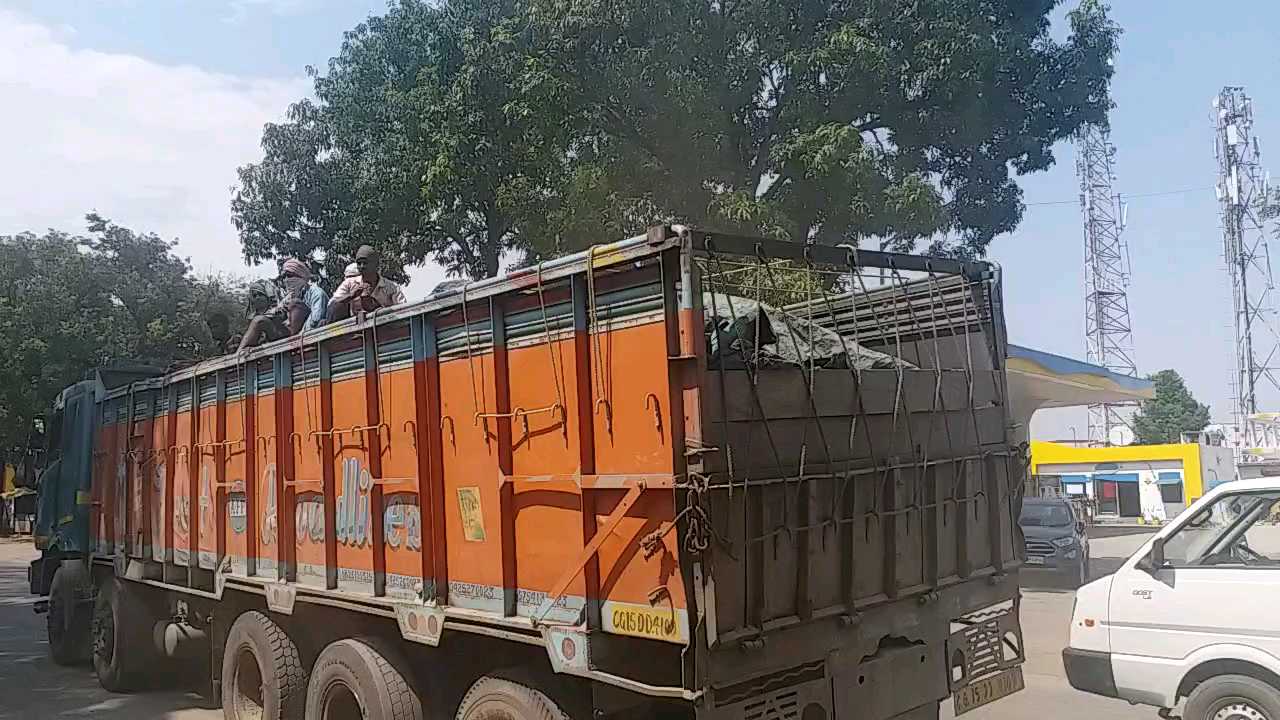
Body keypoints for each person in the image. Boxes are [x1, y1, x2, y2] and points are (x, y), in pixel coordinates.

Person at [237, 260, 328, 352]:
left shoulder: (317, 293)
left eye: (289, 276)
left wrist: (301, 335)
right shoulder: (288, 297)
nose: (285, 280)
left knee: (295, 304)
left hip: (304, 336)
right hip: (286, 335)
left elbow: (315, 319)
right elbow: (274, 314)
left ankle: (294, 344)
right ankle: (238, 357)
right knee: (259, 320)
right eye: (283, 277)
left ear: (301, 276)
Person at [327, 245, 406, 321]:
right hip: (355, 331)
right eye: (359, 263)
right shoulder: (349, 283)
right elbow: (332, 305)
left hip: (385, 330)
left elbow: (404, 310)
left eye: (365, 263)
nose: (362, 266)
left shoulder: (392, 287)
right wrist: (351, 295)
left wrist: (377, 307)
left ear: (376, 264)